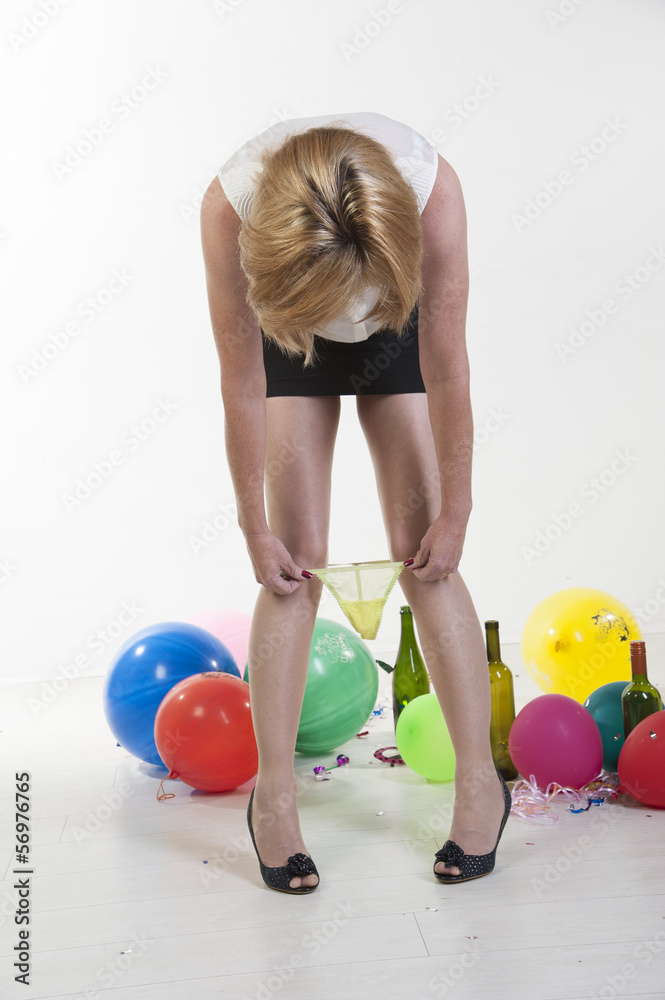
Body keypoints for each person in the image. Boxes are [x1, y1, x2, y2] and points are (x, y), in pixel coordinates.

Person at [200, 111, 511, 894]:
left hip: (393, 306)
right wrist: (252, 527)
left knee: (424, 554)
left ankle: (480, 782)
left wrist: (459, 510)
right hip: (289, 306)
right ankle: (273, 798)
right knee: (293, 561)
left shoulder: (431, 196)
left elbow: (449, 371)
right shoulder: (230, 210)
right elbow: (241, 385)